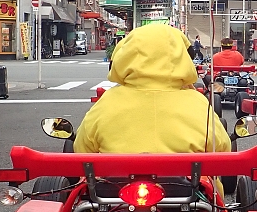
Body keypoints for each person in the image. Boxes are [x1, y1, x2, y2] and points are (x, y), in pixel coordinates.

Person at [75, 24, 230, 154]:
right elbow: (222, 147)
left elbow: (81, 148)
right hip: (188, 187)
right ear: (182, 57)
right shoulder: (198, 104)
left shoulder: (107, 102)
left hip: (114, 187)